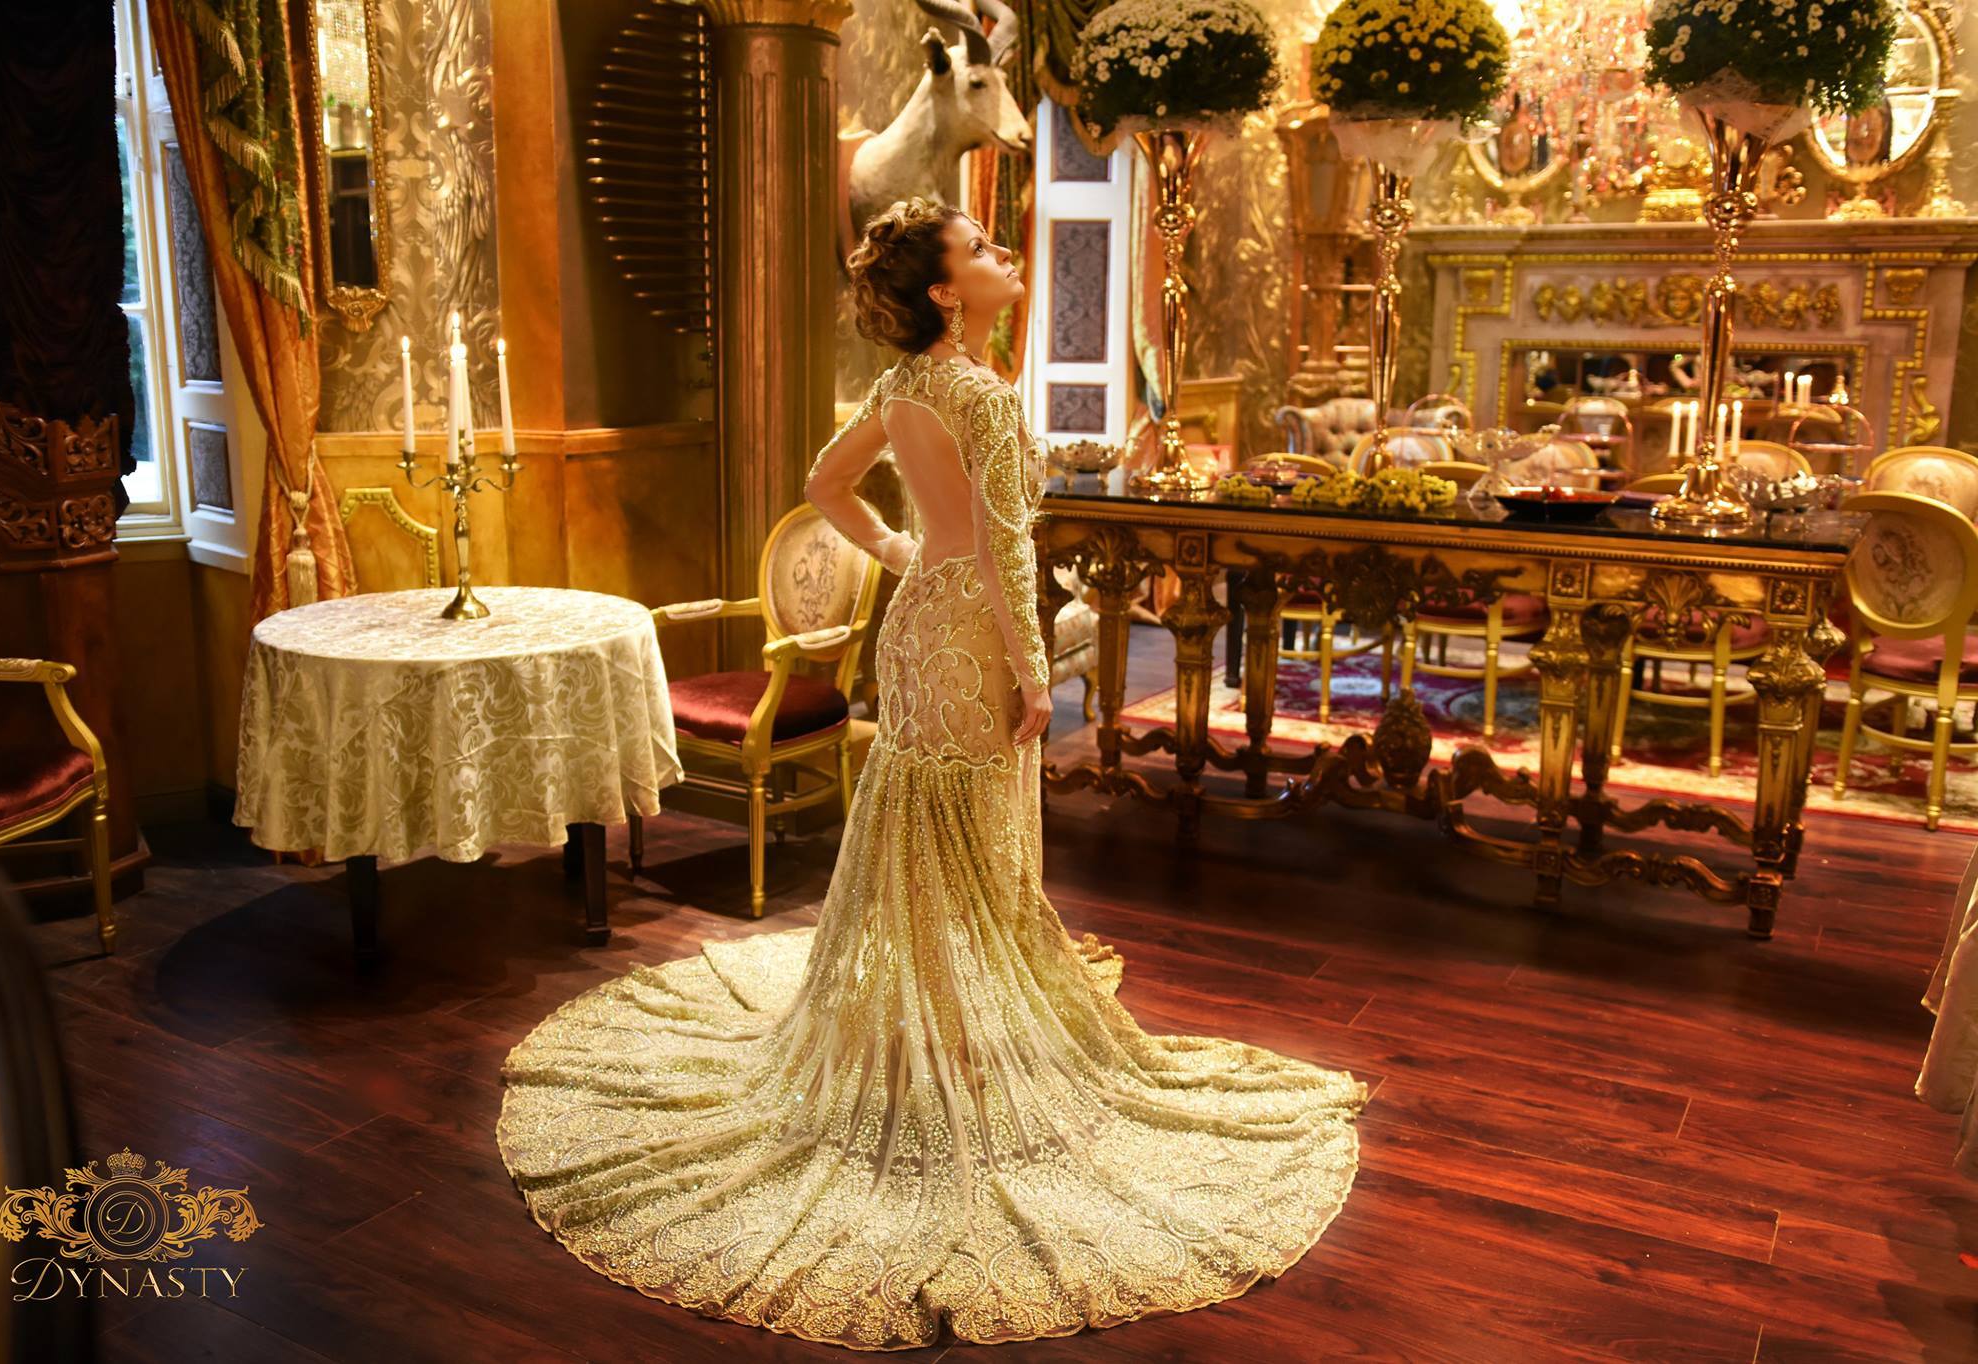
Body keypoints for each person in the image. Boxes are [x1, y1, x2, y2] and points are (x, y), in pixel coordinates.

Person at [495, 196, 1368, 1351]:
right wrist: (1029, 670)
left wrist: (905, 554)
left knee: (922, 819)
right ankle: (958, 1037)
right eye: (983, 249)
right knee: (977, 831)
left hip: (916, 624)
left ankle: (932, 1024)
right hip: (968, 636)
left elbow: (821, 485)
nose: (1005, 256)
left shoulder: (903, 391)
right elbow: (1009, 547)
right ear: (945, 292)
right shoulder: (979, 393)